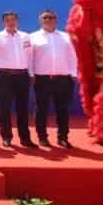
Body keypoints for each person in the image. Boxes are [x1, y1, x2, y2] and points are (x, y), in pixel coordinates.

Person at [30, 9, 77, 149]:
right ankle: (42, 137)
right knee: (41, 109)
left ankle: (63, 138)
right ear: (40, 20)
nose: (48, 20)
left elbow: (72, 56)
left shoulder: (66, 37)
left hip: (63, 79)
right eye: (45, 17)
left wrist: (73, 74)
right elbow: (29, 58)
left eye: (51, 17)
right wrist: (31, 74)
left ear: (56, 20)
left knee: (63, 110)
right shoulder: (33, 37)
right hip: (42, 79)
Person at [0, 10, 37, 148]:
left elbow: (30, 56)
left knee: (22, 108)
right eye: (7, 20)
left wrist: (31, 73)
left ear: (17, 21)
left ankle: (25, 138)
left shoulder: (25, 36)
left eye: (13, 20)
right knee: (5, 107)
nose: (10, 22)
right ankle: (6, 137)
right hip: (5, 76)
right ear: (3, 22)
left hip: (22, 75)